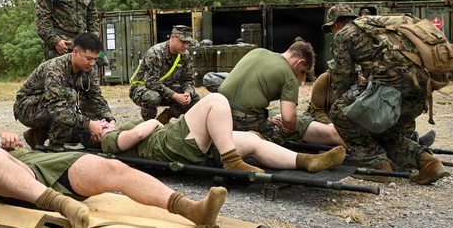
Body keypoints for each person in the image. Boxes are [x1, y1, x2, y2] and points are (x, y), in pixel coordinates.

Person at [0, 132, 229, 228]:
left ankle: (191, 210)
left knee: (109, 167)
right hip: (13, 190)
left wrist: (8, 141)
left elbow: (13, 152)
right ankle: (63, 206)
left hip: (36, 166)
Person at [328, 15, 450, 185]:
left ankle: (378, 166)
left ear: (336, 24)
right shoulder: (386, 25)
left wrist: (354, 109)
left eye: (331, 29)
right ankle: (428, 162)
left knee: (340, 113)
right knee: (385, 134)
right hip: (419, 91)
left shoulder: (344, 34)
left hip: (391, 92)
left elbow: (342, 81)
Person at [102, 93, 346, 175]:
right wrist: (154, 124)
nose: (106, 122)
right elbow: (130, 139)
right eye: (101, 124)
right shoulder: (108, 139)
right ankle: (231, 161)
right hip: (170, 144)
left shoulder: (117, 129)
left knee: (251, 140)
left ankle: (308, 162)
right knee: (216, 99)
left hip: (181, 144)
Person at [216, 39, 341, 146]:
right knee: (282, 144)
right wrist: (288, 124)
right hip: (244, 120)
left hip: (220, 112)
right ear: (300, 62)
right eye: (301, 71)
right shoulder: (289, 76)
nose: (299, 75)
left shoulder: (258, 52)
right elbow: (289, 120)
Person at [14, 31, 115, 148]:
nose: (92, 63)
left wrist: (109, 119)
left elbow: (95, 97)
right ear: (75, 52)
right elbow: (59, 109)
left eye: (95, 59)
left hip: (50, 106)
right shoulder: (55, 68)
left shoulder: (89, 69)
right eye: (89, 58)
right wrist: (89, 124)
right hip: (26, 108)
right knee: (69, 97)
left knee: (91, 134)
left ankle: (39, 135)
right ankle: (55, 147)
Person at [129, 25, 201, 124]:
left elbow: (188, 80)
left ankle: (163, 120)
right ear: (172, 38)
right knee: (152, 97)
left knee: (195, 98)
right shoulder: (155, 53)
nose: (186, 46)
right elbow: (151, 82)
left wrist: (188, 92)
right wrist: (175, 95)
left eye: (188, 43)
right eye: (183, 42)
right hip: (143, 88)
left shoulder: (185, 56)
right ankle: (148, 125)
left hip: (165, 89)